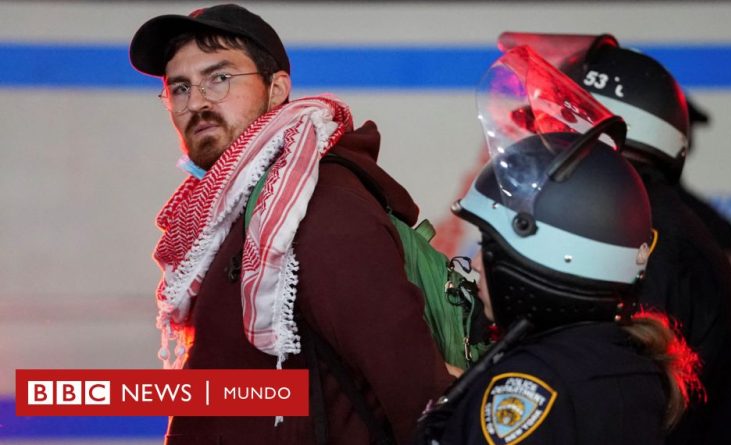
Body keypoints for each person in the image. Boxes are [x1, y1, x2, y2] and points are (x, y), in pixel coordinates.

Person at [129, 4, 452, 444]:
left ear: (277, 88)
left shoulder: (316, 203)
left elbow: (412, 388)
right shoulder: (236, 211)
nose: (197, 102)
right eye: (180, 88)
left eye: (219, 78)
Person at [415, 46, 701, 445]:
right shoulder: (623, 360)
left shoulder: (531, 387)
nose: (476, 264)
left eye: (492, 247)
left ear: (542, 264)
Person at [551, 37, 731, 445]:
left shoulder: (641, 229)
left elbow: (616, 386)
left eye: (560, 127)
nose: (546, 143)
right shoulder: (663, 217)